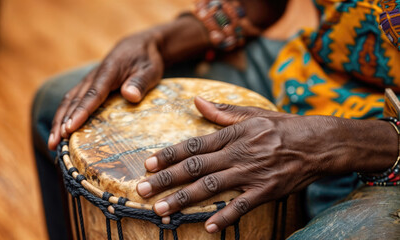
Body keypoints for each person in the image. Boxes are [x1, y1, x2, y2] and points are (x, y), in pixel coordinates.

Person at [32, 0, 400, 239]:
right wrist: (161, 40)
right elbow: (259, 6)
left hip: (388, 144)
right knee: (55, 104)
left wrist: (336, 140)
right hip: (310, 76)